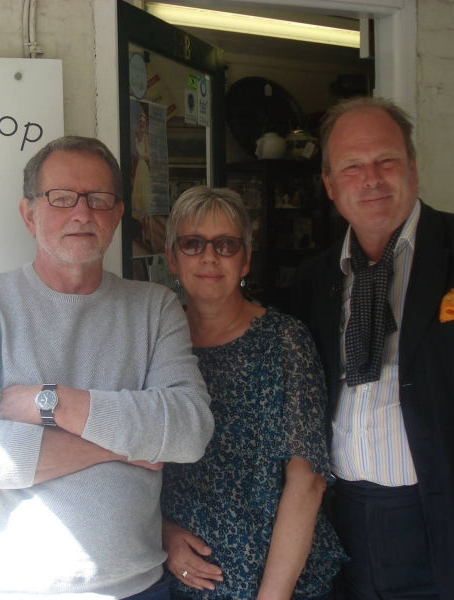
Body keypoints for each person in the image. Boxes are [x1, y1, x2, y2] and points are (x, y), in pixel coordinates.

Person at [0, 135, 215, 600]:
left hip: (138, 588)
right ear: (30, 213)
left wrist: (48, 402)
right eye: (61, 198)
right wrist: (118, 446)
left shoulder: (155, 308)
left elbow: (189, 430)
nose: (82, 213)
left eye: (99, 199)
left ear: (117, 215)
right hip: (9, 589)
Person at [292, 96, 454, 599]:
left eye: (386, 160)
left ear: (412, 166)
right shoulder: (313, 280)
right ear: (329, 184)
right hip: (344, 526)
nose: (371, 179)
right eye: (352, 167)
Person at [160, 186, 346, 600]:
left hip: (283, 586)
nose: (210, 257)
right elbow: (131, 463)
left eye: (226, 245)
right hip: (181, 583)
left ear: (245, 258)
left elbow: (307, 482)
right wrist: (163, 533)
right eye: (193, 244)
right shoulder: (155, 343)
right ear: (172, 257)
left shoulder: (284, 341)